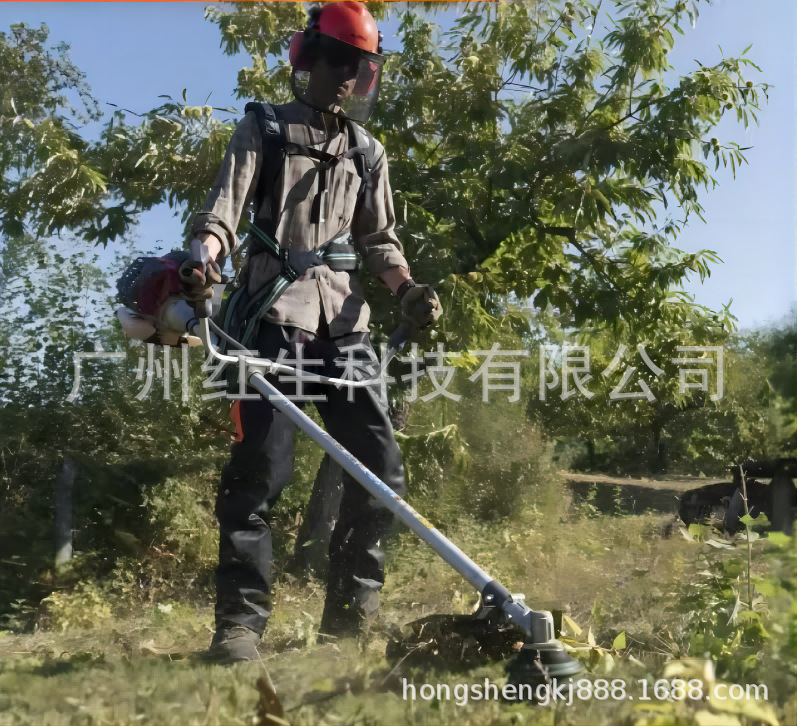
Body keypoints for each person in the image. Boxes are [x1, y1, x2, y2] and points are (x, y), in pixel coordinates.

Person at [179, 1, 441, 664]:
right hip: (271, 318)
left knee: (379, 472)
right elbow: (221, 214)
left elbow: (379, 241)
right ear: (308, 59)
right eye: (340, 63)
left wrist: (407, 290)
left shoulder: (367, 151)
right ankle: (239, 626)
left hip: (344, 327)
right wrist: (202, 262)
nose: (349, 77)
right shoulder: (264, 128)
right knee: (258, 474)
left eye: (361, 67)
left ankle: (350, 619)